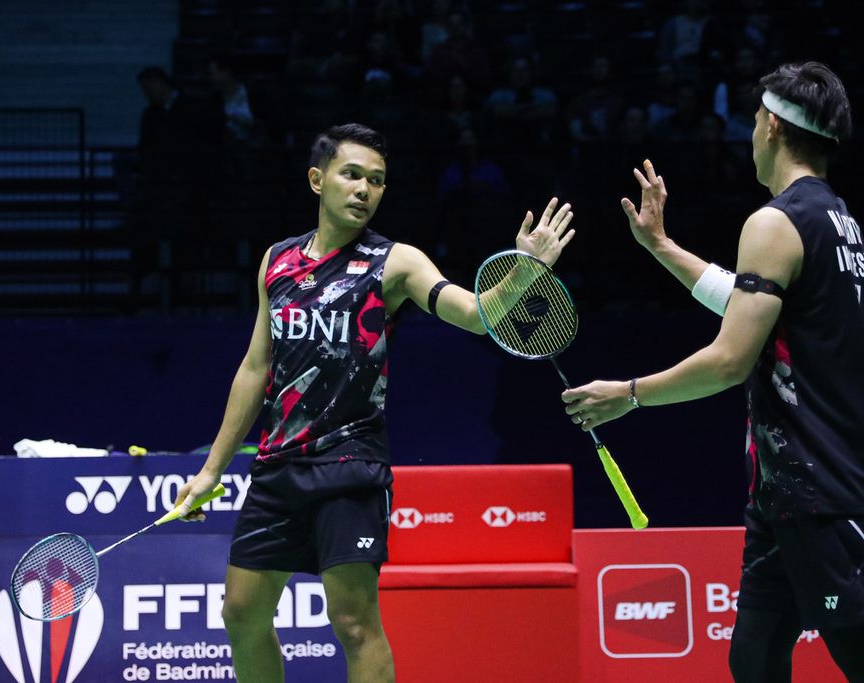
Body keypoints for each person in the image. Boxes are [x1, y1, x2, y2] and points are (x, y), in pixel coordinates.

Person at [561, 62, 864, 682]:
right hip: (788, 487)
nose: (750, 131)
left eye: (755, 119)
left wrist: (628, 395)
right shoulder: (834, 218)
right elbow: (755, 306)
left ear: (775, 128)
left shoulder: (773, 221)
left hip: (821, 483)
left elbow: (732, 359)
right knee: (755, 658)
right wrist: (660, 245)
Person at [173, 123, 575, 683]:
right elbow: (255, 368)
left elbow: (475, 314)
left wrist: (525, 272)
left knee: (354, 622)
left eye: (377, 181)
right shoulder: (277, 261)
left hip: (350, 465)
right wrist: (210, 470)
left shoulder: (394, 263)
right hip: (277, 465)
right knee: (241, 614)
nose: (364, 189)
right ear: (318, 180)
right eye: (352, 175)